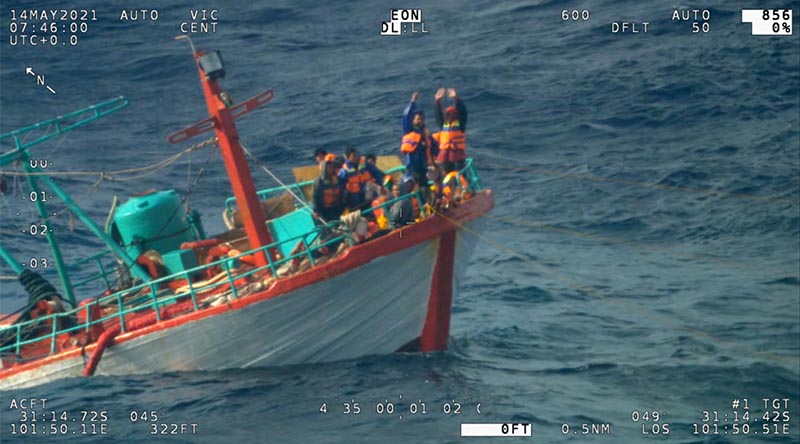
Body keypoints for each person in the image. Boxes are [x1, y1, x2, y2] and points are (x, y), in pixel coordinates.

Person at [401, 92, 436, 190]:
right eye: (418, 119)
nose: (420, 121)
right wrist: (413, 102)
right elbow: (406, 116)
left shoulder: (425, 134)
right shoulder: (409, 130)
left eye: (422, 119)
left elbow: (433, 147)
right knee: (420, 186)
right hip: (413, 167)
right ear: (413, 120)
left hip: (423, 166)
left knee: (426, 185)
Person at [433, 88, 468, 170]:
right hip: (445, 158)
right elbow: (438, 115)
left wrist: (456, 99)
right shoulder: (443, 125)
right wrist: (437, 101)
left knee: (460, 176)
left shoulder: (460, 125)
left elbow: (463, 113)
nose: (451, 116)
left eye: (453, 114)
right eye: (448, 114)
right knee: (446, 177)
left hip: (458, 158)